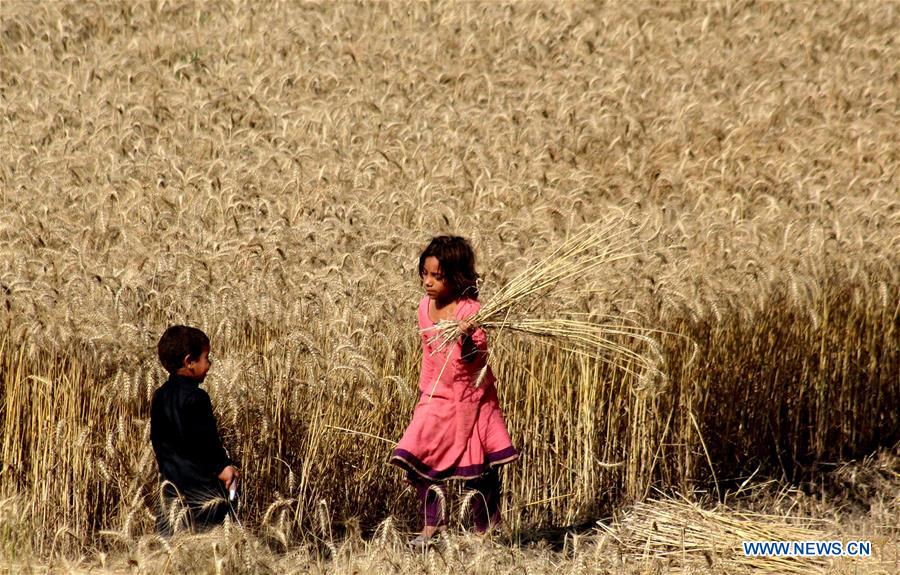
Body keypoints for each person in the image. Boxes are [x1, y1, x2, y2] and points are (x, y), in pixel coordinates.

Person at [391, 236, 518, 546]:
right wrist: (425, 396)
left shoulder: (470, 311)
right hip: (436, 396)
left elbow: (476, 362)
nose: (428, 282)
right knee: (416, 454)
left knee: (479, 470)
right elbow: (429, 355)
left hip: (472, 398)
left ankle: (486, 532)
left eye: (437, 276)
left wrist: (465, 337)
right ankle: (432, 527)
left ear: (456, 275)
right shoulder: (424, 308)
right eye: (425, 273)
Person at [150, 325, 239, 535]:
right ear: (189, 362)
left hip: (170, 488)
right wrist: (223, 467)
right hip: (201, 491)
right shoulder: (197, 398)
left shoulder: (160, 395)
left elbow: (158, 440)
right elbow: (206, 442)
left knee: (168, 549)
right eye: (206, 358)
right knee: (206, 548)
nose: (209, 364)